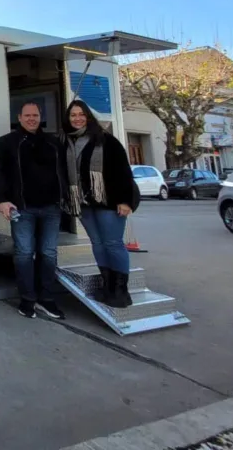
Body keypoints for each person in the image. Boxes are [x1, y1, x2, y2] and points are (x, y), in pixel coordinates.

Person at [0, 101, 68, 320]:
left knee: (49, 254)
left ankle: (47, 300)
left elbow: (63, 171)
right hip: (22, 208)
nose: (31, 118)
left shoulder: (53, 142)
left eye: (35, 115)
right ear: (20, 117)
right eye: (27, 115)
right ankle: (27, 300)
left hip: (52, 207)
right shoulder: (7, 142)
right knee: (24, 254)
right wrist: (2, 200)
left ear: (39, 116)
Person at [60, 99, 139, 308]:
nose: (77, 118)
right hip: (85, 203)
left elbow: (123, 172)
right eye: (73, 115)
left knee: (113, 244)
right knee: (98, 244)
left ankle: (121, 291)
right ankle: (107, 286)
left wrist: (125, 201)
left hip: (109, 203)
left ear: (88, 116)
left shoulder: (105, 140)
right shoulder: (67, 143)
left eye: (81, 114)